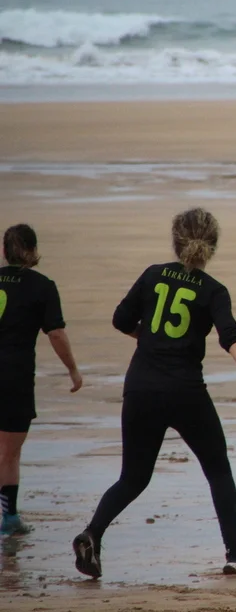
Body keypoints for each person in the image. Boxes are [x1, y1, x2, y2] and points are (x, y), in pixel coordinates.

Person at [73, 208, 236, 578]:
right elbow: (230, 334)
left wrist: (149, 338)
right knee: (217, 469)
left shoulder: (152, 274)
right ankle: (235, 553)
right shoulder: (213, 290)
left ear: (176, 241)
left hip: (140, 388)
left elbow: (121, 320)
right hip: (185, 392)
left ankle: (92, 532)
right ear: (212, 245)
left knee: (132, 478)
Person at [0, 224, 82, 537]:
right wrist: (72, 369)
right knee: (9, 452)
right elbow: (56, 333)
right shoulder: (42, 286)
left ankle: (10, 516)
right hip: (14, 376)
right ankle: (9, 518)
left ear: (5, 251)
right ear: (33, 251)